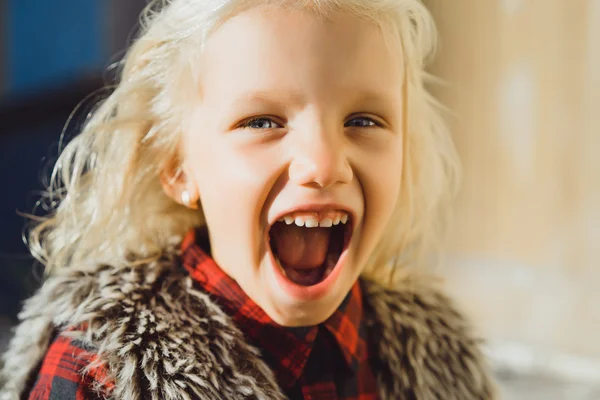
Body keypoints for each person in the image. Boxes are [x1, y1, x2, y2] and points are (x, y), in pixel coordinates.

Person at [0, 0, 497, 399]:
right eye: (262, 122)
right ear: (176, 168)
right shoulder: (98, 372)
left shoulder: (442, 364)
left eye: (363, 121)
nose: (324, 165)